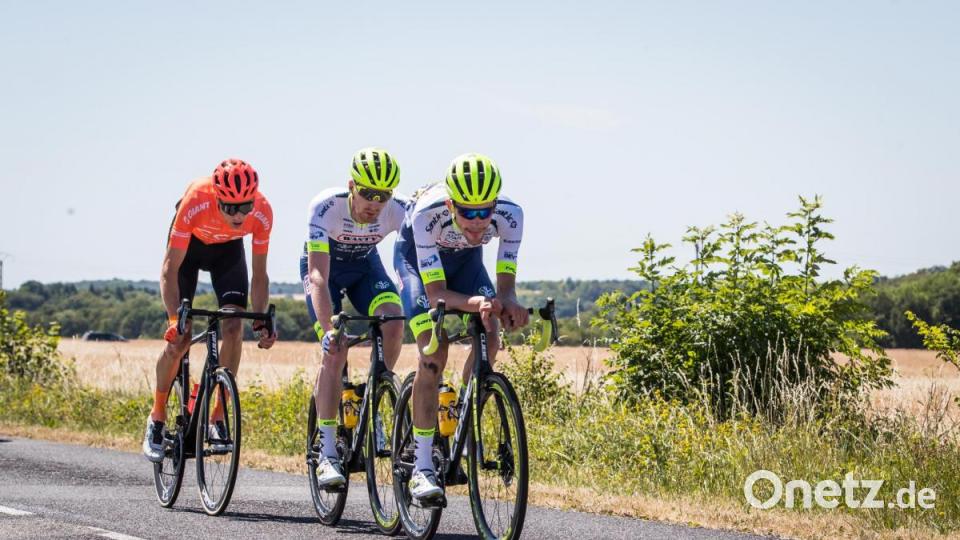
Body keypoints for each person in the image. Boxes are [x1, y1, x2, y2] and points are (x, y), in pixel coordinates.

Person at [393, 153, 529, 500]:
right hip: (417, 266)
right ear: (451, 204)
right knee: (434, 353)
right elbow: (436, 292)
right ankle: (423, 466)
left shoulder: (511, 216)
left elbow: (505, 286)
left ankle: (464, 414)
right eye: (468, 212)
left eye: (485, 211)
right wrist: (476, 303)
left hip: (467, 264)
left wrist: (509, 303)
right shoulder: (427, 214)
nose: (478, 221)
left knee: (491, 337)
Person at [142, 158, 277, 462]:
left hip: (227, 255)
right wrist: (175, 319)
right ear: (217, 198)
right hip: (188, 252)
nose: (239, 215)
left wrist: (260, 318)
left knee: (233, 326)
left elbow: (259, 275)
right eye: (230, 208)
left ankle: (217, 415)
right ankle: (157, 416)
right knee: (180, 340)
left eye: (245, 206)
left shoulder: (262, 211)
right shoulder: (196, 200)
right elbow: (169, 269)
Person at [301, 147, 408, 487]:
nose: (375, 203)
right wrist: (325, 329)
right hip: (325, 271)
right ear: (351, 186)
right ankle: (328, 451)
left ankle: (373, 402)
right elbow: (318, 276)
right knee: (335, 351)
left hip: (364, 267)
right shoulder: (325, 207)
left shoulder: (398, 211)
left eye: (383, 195)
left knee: (393, 322)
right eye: (367, 193)